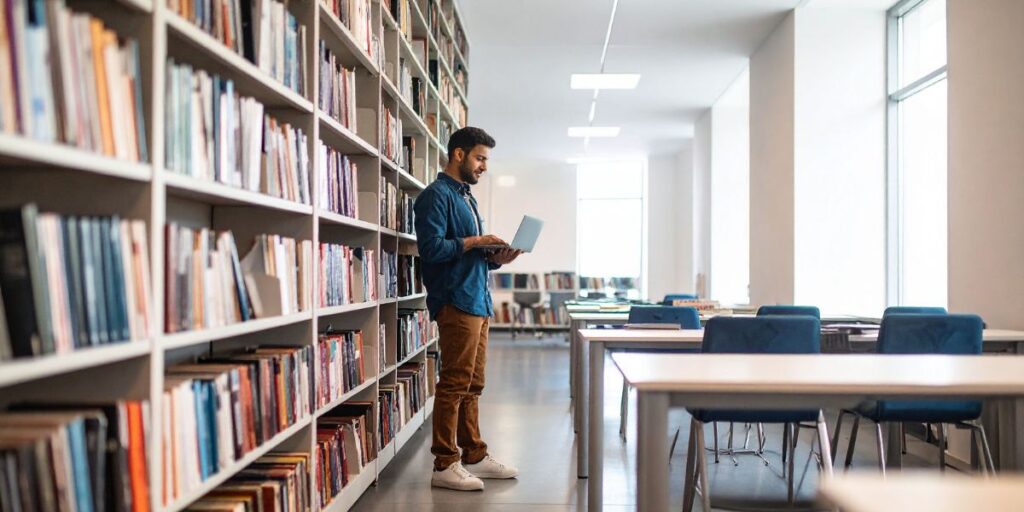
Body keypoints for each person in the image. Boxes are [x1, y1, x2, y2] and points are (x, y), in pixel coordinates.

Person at [414, 127, 522, 491]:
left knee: (474, 384)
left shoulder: (467, 198)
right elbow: (431, 249)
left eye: (486, 160)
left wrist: (496, 258)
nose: (484, 167)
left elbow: (469, 256)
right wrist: (476, 241)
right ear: (458, 154)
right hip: (455, 300)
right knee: (454, 383)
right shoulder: (435, 196)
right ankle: (444, 463)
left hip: (478, 299)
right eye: (480, 158)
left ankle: (474, 454)